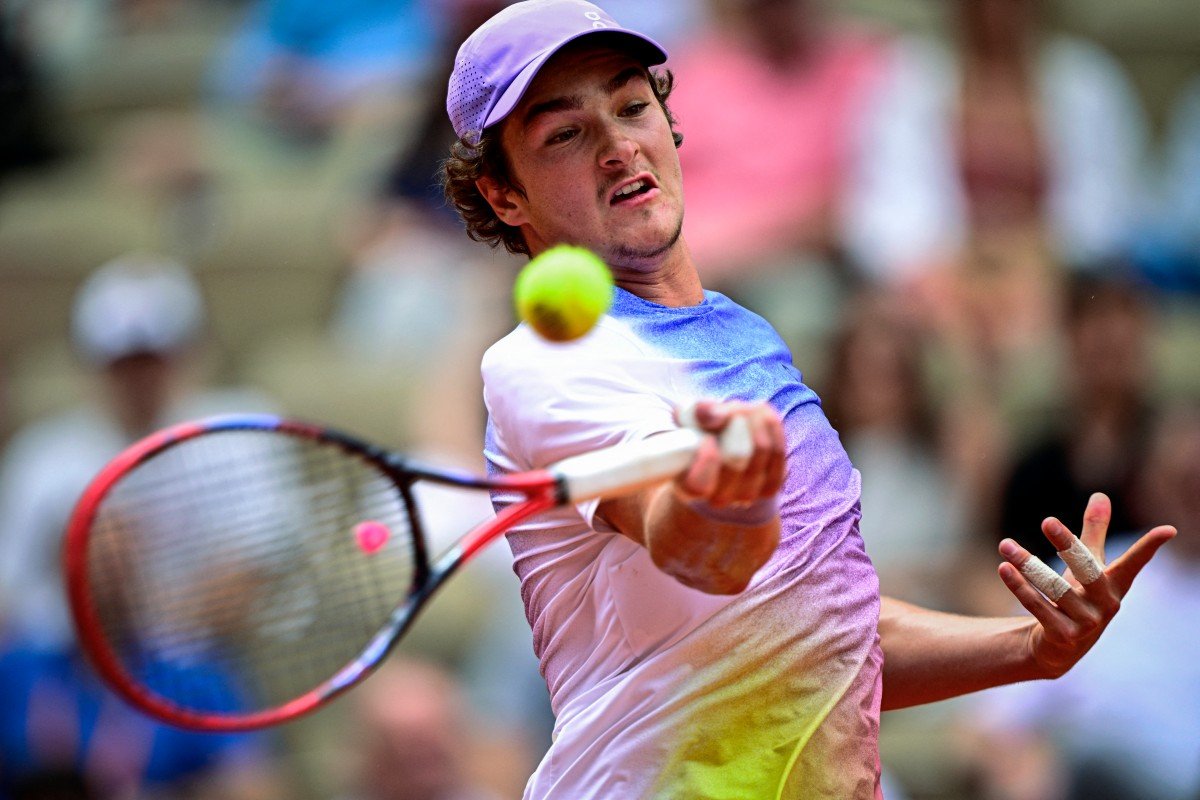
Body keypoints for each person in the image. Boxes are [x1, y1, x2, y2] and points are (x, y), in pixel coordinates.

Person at [438, 2, 1175, 797]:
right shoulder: (548, 362)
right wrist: (731, 507)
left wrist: (1030, 649)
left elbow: (821, 627)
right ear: (504, 195)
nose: (618, 147)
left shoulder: (749, 338)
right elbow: (692, 545)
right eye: (565, 135)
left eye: (631, 106)